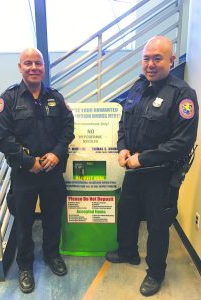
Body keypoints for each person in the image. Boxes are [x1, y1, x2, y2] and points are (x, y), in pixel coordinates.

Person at [105, 36, 199, 297]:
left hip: (161, 175)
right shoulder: (137, 88)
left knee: (158, 225)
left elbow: (182, 143)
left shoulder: (183, 95)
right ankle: (127, 252)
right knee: (126, 213)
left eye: (157, 58)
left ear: (171, 60)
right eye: (146, 58)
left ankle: (155, 272)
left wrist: (142, 158)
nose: (150, 64)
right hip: (133, 170)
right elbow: (124, 123)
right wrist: (122, 147)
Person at [0, 48, 74, 293]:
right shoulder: (8, 99)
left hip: (52, 172)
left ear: (44, 66)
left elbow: (67, 128)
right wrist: (30, 162)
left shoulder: (55, 97)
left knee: (52, 218)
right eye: (28, 63)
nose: (33, 67)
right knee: (24, 223)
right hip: (23, 175)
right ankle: (25, 266)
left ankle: (52, 255)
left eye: (38, 63)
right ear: (20, 67)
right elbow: (3, 138)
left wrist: (56, 153)